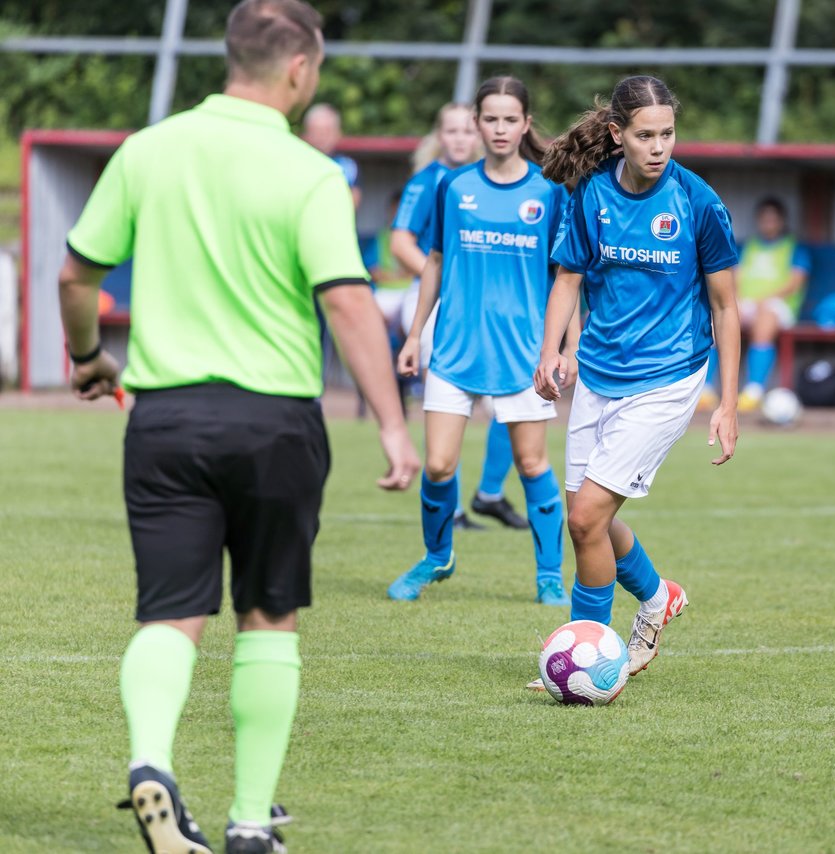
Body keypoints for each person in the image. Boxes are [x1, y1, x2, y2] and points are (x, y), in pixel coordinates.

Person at [57, 1, 420, 852]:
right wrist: (395, 428)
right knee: (267, 617)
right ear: (299, 69)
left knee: (170, 614)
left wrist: (86, 358)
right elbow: (346, 300)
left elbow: (77, 274)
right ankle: (251, 825)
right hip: (273, 422)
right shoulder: (309, 173)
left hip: (166, 417)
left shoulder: (149, 150)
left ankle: (151, 764)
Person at [532, 74, 739, 688]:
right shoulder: (592, 194)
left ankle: (582, 654)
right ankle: (656, 597)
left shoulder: (699, 203)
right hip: (598, 373)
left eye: (668, 134)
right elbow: (568, 277)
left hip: (669, 377)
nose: (659, 147)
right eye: (646, 135)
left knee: (586, 517)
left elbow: (727, 307)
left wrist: (727, 404)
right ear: (618, 135)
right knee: (587, 518)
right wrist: (552, 353)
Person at [390, 76, 574, 606]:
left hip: (523, 353)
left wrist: (566, 348)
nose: (499, 129)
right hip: (453, 348)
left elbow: (567, 276)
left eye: (509, 119)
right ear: (476, 124)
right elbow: (436, 262)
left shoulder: (548, 191)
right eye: (489, 119)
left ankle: (548, 575)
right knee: (439, 466)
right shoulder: (454, 187)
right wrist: (416, 334)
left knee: (533, 464)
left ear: (525, 124)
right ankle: (437, 556)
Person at [392, 102, 527, 531]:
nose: (460, 139)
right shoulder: (429, 181)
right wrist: (450, 284)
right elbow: (402, 243)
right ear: (439, 136)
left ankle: (489, 492)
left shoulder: (489, 182)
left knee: (509, 403)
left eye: (466, 131)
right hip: (432, 304)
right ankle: (450, 509)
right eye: (451, 131)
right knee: (449, 405)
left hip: (479, 307)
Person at [701, 195, 810, 412]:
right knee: (717, 322)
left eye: (773, 219)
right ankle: (705, 390)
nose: (768, 223)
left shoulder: (795, 249)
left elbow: (795, 283)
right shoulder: (748, 247)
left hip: (779, 306)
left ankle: (754, 391)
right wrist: (736, 302)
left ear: (781, 221)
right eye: (764, 219)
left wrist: (766, 299)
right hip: (748, 303)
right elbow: (735, 278)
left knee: (764, 319)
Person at [302, 102, 361, 209]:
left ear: (338, 133)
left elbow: (353, 201)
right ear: (305, 135)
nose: (321, 137)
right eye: (316, 131)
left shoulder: (347, 166)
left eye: (327, 131)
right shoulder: (298, 164)